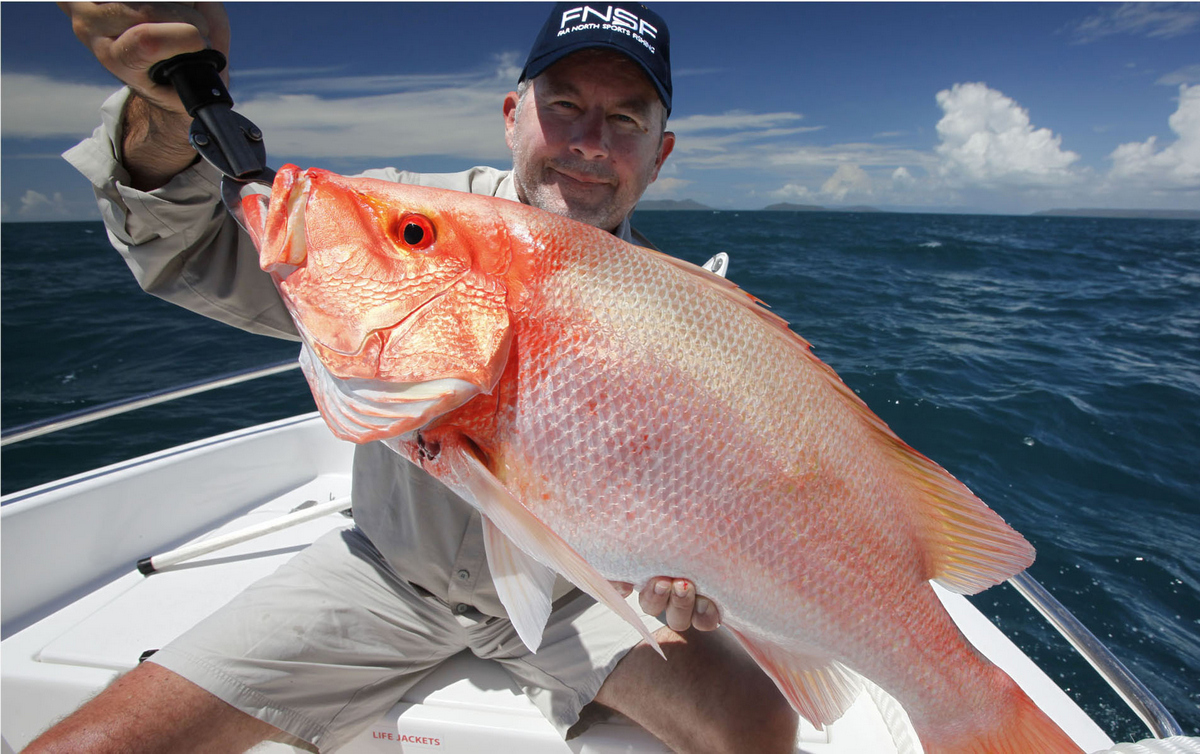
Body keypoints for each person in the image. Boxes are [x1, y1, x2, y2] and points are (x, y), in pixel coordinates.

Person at [33, 3, 799, 752]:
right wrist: (167, 115)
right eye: (563, 105)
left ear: (661, 154)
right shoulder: (399, 216)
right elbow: (201, 248)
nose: (590, 143)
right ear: (512, 114)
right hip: (387, 576)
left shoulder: (690, 320)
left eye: (627, 120)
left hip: (577, 596)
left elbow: (728, 498)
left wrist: (696, 571)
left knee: (763, 729)